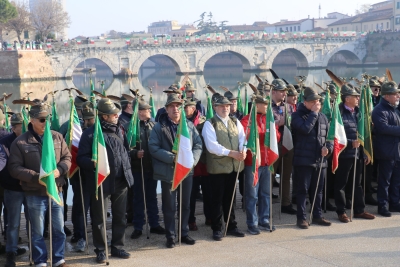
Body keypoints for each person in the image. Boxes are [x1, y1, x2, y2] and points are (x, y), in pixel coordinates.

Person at [8, 101, 72, 267]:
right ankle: (40, 261)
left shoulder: (57, 137)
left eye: (48, 119)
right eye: (42, 119)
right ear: (32, 120)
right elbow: (14, 168)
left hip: (56, 190)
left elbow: (67, 158)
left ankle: (59, 259)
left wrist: (60, 170)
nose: (46, 122)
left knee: (59, 229)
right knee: (37, 232)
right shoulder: (21, 142)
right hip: (34, 193)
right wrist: (37, 177)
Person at [77, 98, 133, 263]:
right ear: (104, 116)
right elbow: (81, 158)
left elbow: (125, 151)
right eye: (112, 114)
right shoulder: (90, 134)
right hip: (102, 182)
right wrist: (92, 162)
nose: (117, 115)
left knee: (120, 216)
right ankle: (101, 250)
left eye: (116, 113)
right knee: (99, 218)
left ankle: (117, 246)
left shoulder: (120, 129)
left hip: (121, 181)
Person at [148, 94, 202, 248]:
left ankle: (184, 233)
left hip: (186, 171)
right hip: (168, 172)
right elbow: (153, 147)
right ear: (166, 109)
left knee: (185, 205)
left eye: (178, 106)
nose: (175, 109)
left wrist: (192, 161)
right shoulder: (159, 127)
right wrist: (172, 158)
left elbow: (198, 145)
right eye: (171, 106)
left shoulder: (189, 126)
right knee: (169, 206)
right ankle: (170, 236)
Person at [202, 95, 246, 241]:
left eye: (227, 106)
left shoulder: (235, 121)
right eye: (222, 106)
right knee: (217, 199)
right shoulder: (210, 123)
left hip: (233, 167)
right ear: (215, 107)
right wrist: (231, 153)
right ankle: (217, 228)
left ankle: (231, 225)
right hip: (218, 167)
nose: (225, 108)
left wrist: (242, 150)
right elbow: (212, 146)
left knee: (231, 198)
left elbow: (242, 138)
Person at [291, 87, 332, 229]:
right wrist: (313, 114)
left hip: (320, 161)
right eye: (313, 101)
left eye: (318, 101)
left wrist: (328, 148)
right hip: (304, 160)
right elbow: (305, 129)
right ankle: (301, 218)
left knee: (318, 190)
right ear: (305, 102)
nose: (317, 104)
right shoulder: (297, 116)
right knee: (302, 190)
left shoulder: (323, 117)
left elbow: (329, 138)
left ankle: (317, 215)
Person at [334, 84, 375, 223]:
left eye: (358, 96)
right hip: (344, 154)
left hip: (357, 153)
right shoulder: (338, 113)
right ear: (347, 99)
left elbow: (362, 135)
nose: (358, 98)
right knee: (341, 184)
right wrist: (350, 142)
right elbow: (337, 134)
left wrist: (365, 153)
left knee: (357, 184)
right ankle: (341, 211)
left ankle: (359, 210)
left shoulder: (359, 113)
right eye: (355, 96)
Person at [129, 98, 165, 239]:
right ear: (139, 112)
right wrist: (134, 154)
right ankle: (138, 226)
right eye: (146, 109)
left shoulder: (155, 125)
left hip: (152, 167)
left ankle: (154, 224)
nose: (150, 111)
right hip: (137, 169)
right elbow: (125, 149)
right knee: (138, 198)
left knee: (152, 197)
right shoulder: (129, 127)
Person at [241, 94, 276, 235]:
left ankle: (264, 220)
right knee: (252, 194)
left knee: (265, 193)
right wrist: (258, 134)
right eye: (265, 104)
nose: (267, 107)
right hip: (253, 162)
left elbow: (276, 137)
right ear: (257, 105)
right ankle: (252, 222)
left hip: (267, 161)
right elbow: (245, 136)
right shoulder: (247, 119)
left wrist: (272, 132)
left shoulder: (268, 119)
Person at [0, 114, 27, 267]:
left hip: (30, 188)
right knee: (13, 223)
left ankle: (37, 253)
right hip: (12, 188)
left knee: (34, 222)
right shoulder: (4, 143)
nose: (22, 129)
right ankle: (11, 252)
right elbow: (2, 163)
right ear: (13, 127)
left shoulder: (32, 139)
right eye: (18, 126)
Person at [371, 81, 400, 217]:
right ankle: (382, 205)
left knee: (396, 180)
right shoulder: (379, 110)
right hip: (386, 151)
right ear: (387, 96)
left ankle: (394, 203)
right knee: (385, 181)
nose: (398, 96)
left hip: (397, 151)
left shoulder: (394, 109)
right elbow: (383, 128)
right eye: (395, 94)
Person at [70, 102, 95, 252]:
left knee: (96, 209)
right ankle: (80, 235)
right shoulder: (75, 132)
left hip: (94, 176)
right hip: (79, 176)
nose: (91, 120)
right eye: (89, 118)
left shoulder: (98, 132)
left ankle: (97, 235)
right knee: (80, 208)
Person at [184, 98, 210, 231]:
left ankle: (209, 217)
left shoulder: (205, 122)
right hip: (191, 164)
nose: (183, 109)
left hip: (204, 163)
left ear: (193, 108)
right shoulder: (182, 123)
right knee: (191, 195)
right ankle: (190, 220)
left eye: (185, 107)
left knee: (207, 193)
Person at [271, 78, 296, 215]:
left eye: (285, 92)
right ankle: (266, 202)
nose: (284, 94)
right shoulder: (267, 106)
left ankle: (285, 203)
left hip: (287, 143)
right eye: (282, 91)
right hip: (273, 144)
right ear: (273, 91)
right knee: (270, 175)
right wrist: (276, 123)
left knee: (286, 176)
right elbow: (263, 124)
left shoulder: (289, 107)